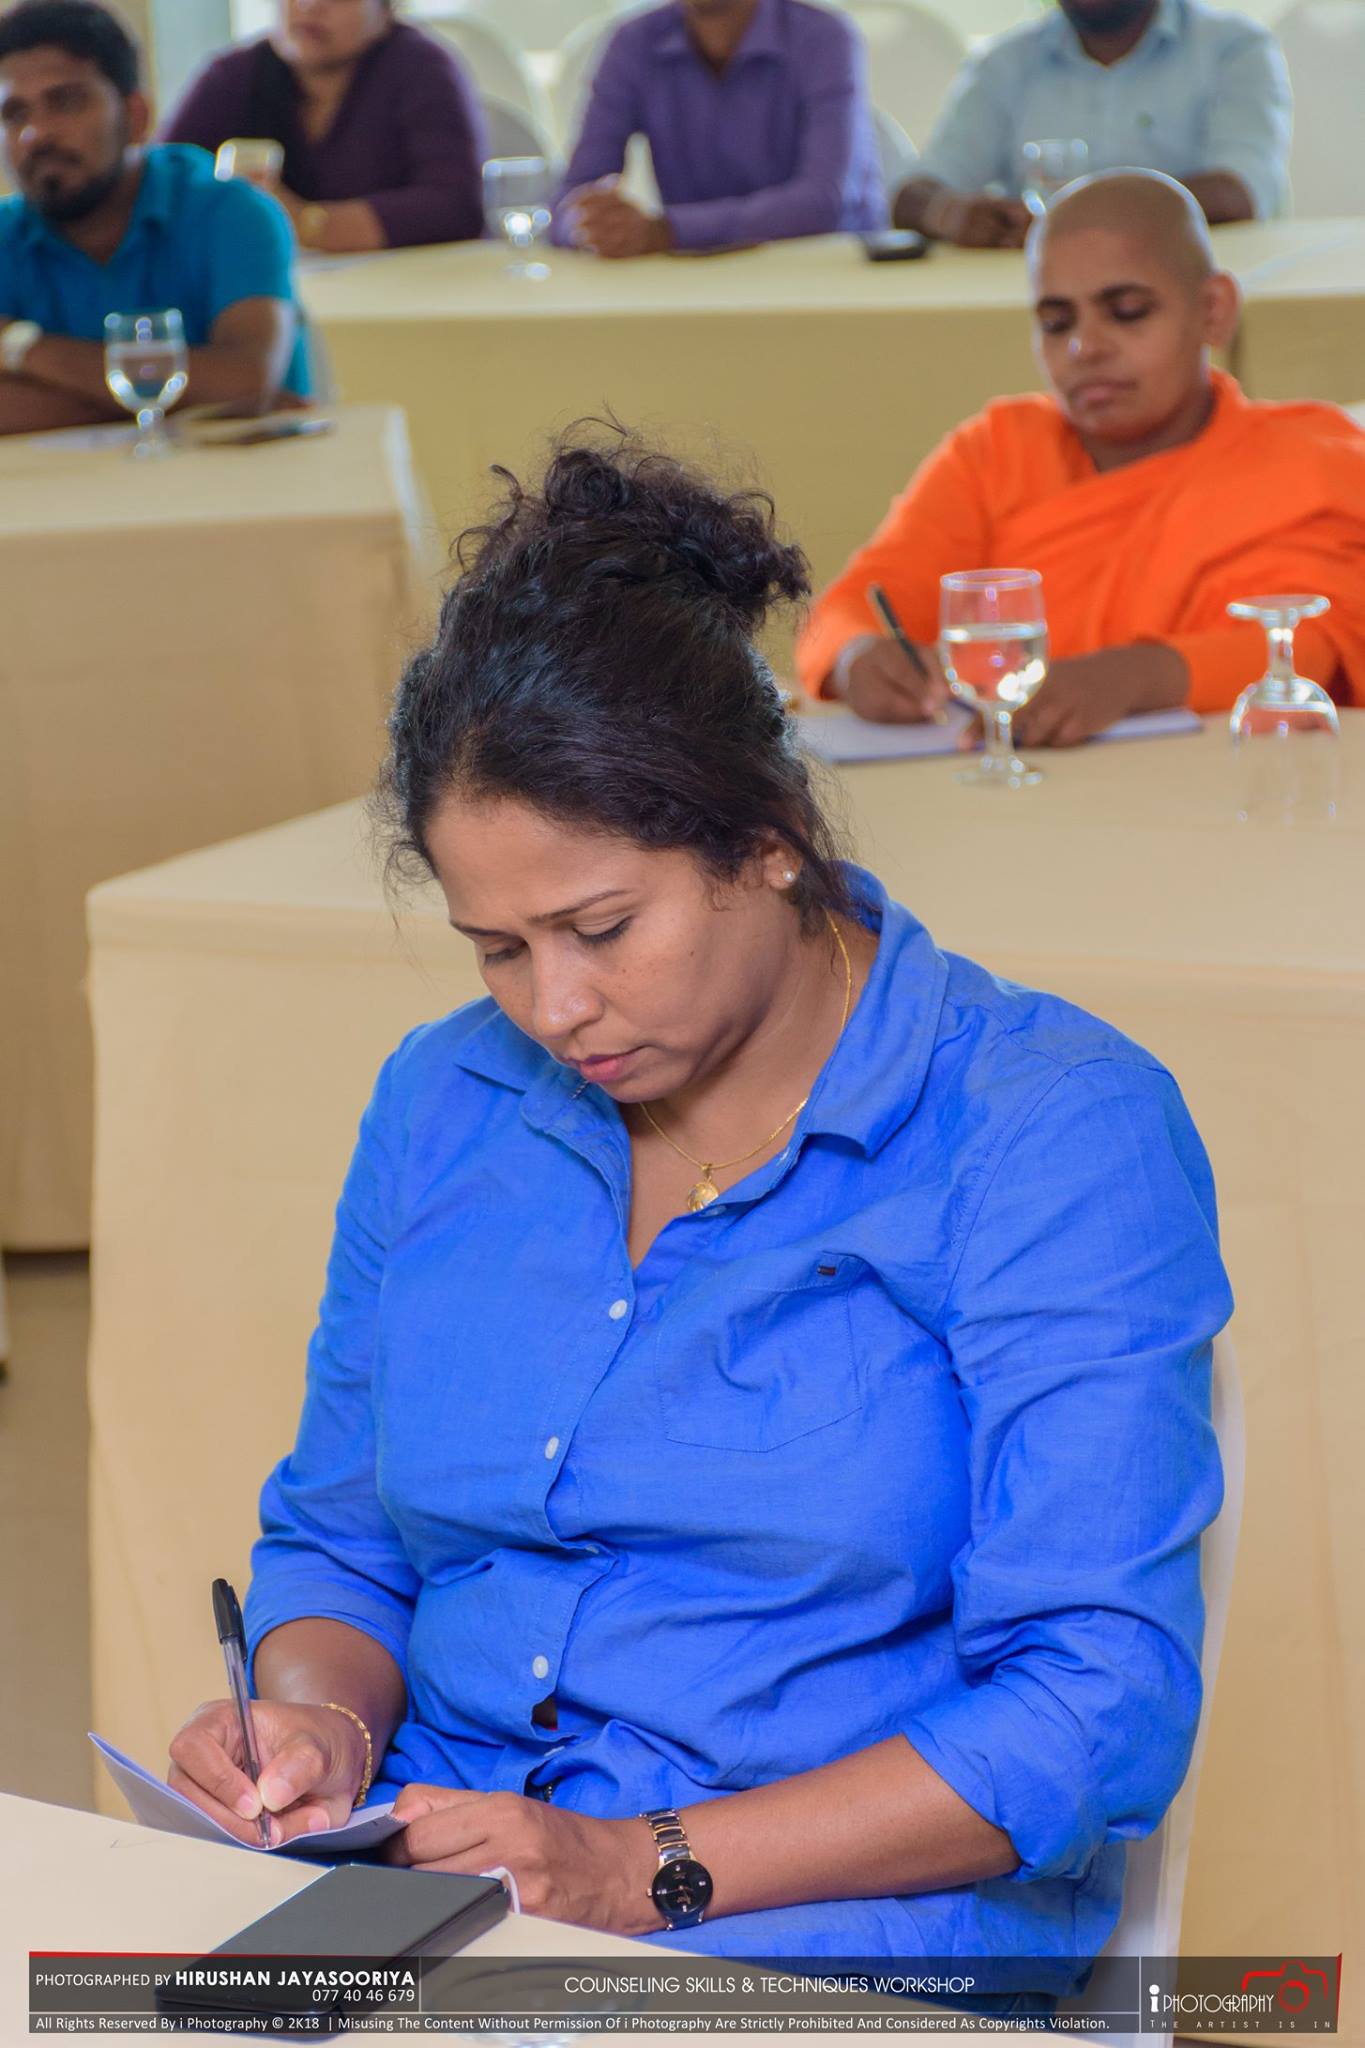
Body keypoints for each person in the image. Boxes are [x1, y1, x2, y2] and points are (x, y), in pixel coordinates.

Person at [167, 427, 1231, 1978]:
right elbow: (344, 1540)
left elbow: (1094, 1710)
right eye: (496, 948)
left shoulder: (1045, 1129)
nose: (553, 1008)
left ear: (769, 840)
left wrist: (634, 1868)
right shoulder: (444, 1101)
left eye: (601, 927)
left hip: (831, 1925)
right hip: (447, 1887)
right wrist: (319, 1725)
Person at [799, 171, 1365, 741]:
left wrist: (1132, 679)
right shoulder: (995, 452)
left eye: (1127, 311)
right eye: (1056, 322)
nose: (1084, 347)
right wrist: (857, 658)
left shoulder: (1307, 460)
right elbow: (844, 611)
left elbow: (1323, 645)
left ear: (1213, 310)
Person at [0, 0, 308, 437]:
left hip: (249, 479)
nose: (37, 134)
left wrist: (20, 347)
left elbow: (244, 382)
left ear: (135, 116)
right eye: (14, 114)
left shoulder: (232, 213)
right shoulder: (4, 236)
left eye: (65, 103)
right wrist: (180, 400)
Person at [894, 0, 1291, 249]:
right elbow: (911, 195)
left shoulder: (1233, 48)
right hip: (1037, 310)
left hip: (1187, 297)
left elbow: (1240, 193)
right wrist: (952, 215)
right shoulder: (1005, 62)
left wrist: (1075, 220)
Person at [554, 0, 884, 259]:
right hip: (694, 287)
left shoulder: (823, 36)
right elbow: (569, 199)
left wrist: (669, 231)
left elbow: (823, 203)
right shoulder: (634, 42)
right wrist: (597, 228)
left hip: (826, 280)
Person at [161, 0, 484, 256]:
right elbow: (160, 187)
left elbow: (456, 206)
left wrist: (304, 222)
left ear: (386, 9)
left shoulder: (423, 68)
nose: (310, 5)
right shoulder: (233, 75)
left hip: (408, 290)